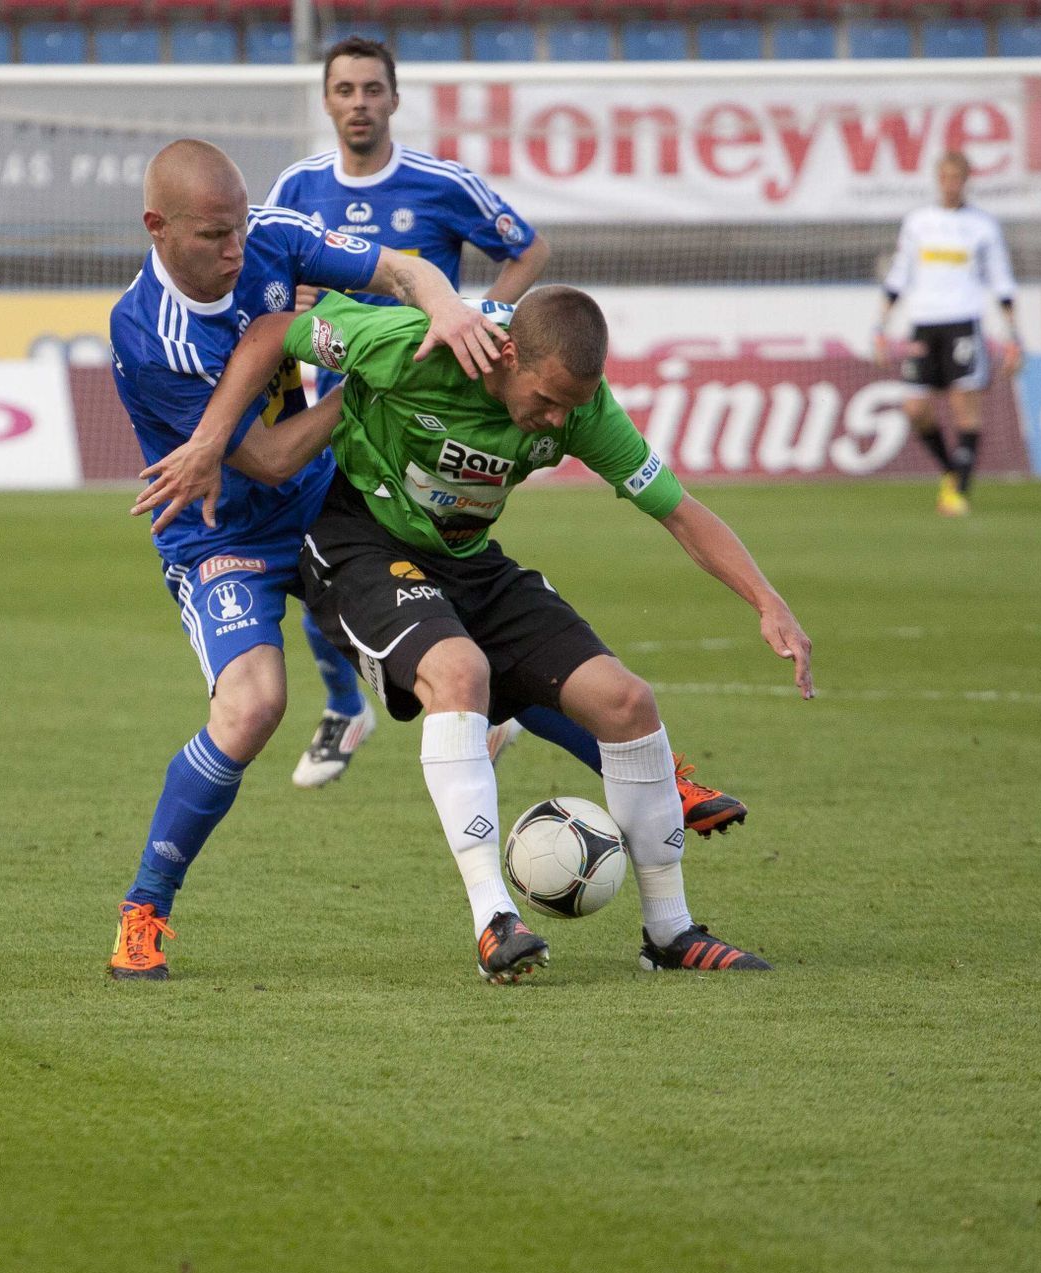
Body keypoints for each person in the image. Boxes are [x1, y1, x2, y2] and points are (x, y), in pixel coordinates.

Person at [137, 286, 813, 981]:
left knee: (626, 701)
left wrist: (766, 601)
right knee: (460, 672)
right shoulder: (409, 346)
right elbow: (274, 330)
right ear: (509, 353)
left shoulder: (580, 409)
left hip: (467, 561)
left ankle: (668, 934)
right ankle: (494, 919)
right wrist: (208, 444)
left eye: (570, 407)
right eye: (545, 400)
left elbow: (675, 509)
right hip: (357, 546)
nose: (554, 420)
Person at [262, 36, 747, 833]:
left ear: (392, 97)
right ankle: (348, 706)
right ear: (326, 101)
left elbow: (527, 248)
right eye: (342, 89)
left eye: (370, 88)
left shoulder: (439, 183)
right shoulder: (295, 187)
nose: (357, 102)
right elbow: (274, 290)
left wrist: (494, 324)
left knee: (456, 630)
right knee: (309, 567)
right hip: (344, 409)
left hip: (435, 407)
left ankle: (627, 761)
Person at [106, 139, 503, 981]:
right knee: (251, 709)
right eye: (214, 235)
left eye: (241, 228)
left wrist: (446, 308)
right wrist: (372, 376)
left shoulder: (275, 236)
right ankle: (144, 910)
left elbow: (401, 271)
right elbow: (271, 459)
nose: (236, 250)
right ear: (157, 228)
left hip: (331, 506)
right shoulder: (148, 334)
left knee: (463, 640)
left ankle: (652, 769)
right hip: (223, 535)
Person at [876, 150, 1022, 517]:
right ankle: (950, 470)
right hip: (923, 323)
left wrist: (1013, 336)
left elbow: (1002, 283)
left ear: (967, 180)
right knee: (915, 408)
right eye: (945, 177)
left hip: (963, 322)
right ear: (937, 179)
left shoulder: (983, 226)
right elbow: (898, 277)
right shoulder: (918, 223)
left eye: (957, 177)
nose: (951, 184)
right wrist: (880, 327)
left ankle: (957, 491)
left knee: (964, 407)